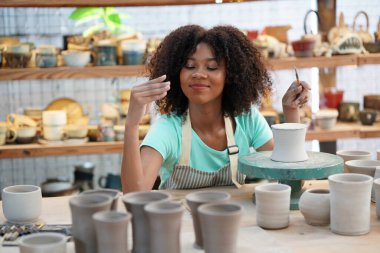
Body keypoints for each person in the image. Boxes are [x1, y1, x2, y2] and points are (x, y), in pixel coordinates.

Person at [121, 25, 310, 193]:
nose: (199, 74)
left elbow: (292, 178)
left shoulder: (246, 119)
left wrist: (291, 112)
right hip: (180, 228)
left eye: (211, 67)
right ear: (177, 73)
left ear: (231, 75)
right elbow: (133, 195)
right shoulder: (168, 129)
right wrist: (131, 125)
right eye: (189, 66)